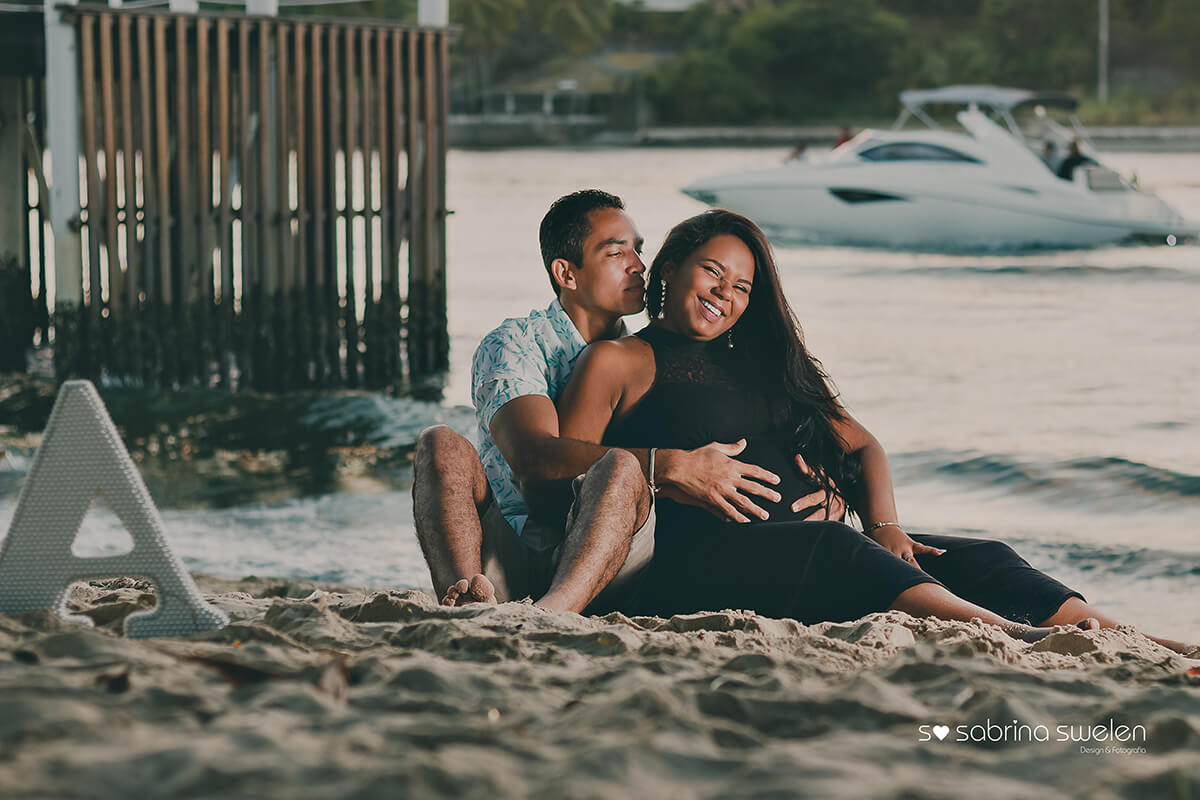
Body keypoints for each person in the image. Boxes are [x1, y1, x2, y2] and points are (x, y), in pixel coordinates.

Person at [558, 209, 1195, 653]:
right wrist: (670, 470)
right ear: (669, 267)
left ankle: (1131, 638)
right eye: (711, 272)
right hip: (693, 561)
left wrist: (885, 525)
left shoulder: (764, 363)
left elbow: (862, 445)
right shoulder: (619, 361)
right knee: (838, 548)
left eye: (743, 287)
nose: (725, 293)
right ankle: (1018, 637)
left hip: (810, 548)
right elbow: (569, 477)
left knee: (979, 555)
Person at [412, 191, 841, 615]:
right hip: (506, 552)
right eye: (617, 253)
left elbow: (736, 435)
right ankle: (464, 599)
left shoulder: (646, 358)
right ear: (566, 273)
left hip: (607, 559)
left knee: (619, 466)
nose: (638, 265)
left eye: (638, 250)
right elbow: (533, 458)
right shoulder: (517, 344)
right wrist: (669, 463)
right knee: (440, 442)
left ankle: (556, 614)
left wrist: (820, 484)